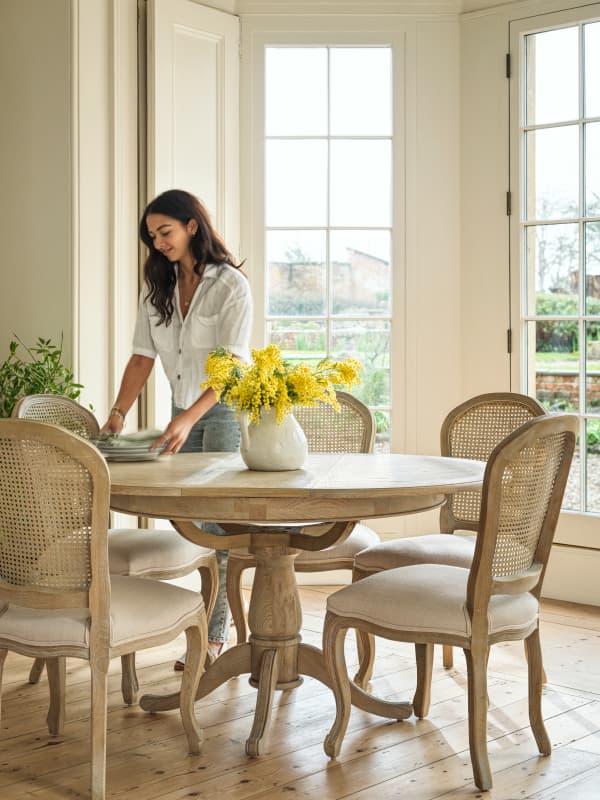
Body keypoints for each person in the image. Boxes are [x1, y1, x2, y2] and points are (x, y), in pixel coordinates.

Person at [102, 188, 252, 666]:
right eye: (152, 236)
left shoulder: (230, 286)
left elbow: (229, 367)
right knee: (190, 524)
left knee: (219, 525)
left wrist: (188, 418)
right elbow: (142, 357)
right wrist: (118, 413)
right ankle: (201, 622)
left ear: (192, 226)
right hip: (182, 409)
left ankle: (213, 637)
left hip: (222, 410)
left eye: (165, 232)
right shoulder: (159, 287)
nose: (159, 243)